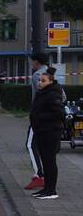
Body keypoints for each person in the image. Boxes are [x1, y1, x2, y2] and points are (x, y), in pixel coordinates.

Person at [29, 66, 64, 200]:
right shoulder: (43, 93)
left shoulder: (53, 94)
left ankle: (51, 190)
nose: (40, 83)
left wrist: (40, 118)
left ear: (50, 82)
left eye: (43, 81)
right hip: (42, 131)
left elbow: (58, 114)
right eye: (39, 80)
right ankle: (46, 188)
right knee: (45, 160)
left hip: (50, 132)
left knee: (50, 161)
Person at [24, 53, 49, 190]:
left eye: (32, 62)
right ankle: (44, 175)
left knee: (30, 145)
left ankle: (39, 176)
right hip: (50, 117)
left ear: (36, 62)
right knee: (43, 146)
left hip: (39, 116)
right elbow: (62, 95)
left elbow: (40, 95)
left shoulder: (37, 76)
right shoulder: (51, 73)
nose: (31, 64)